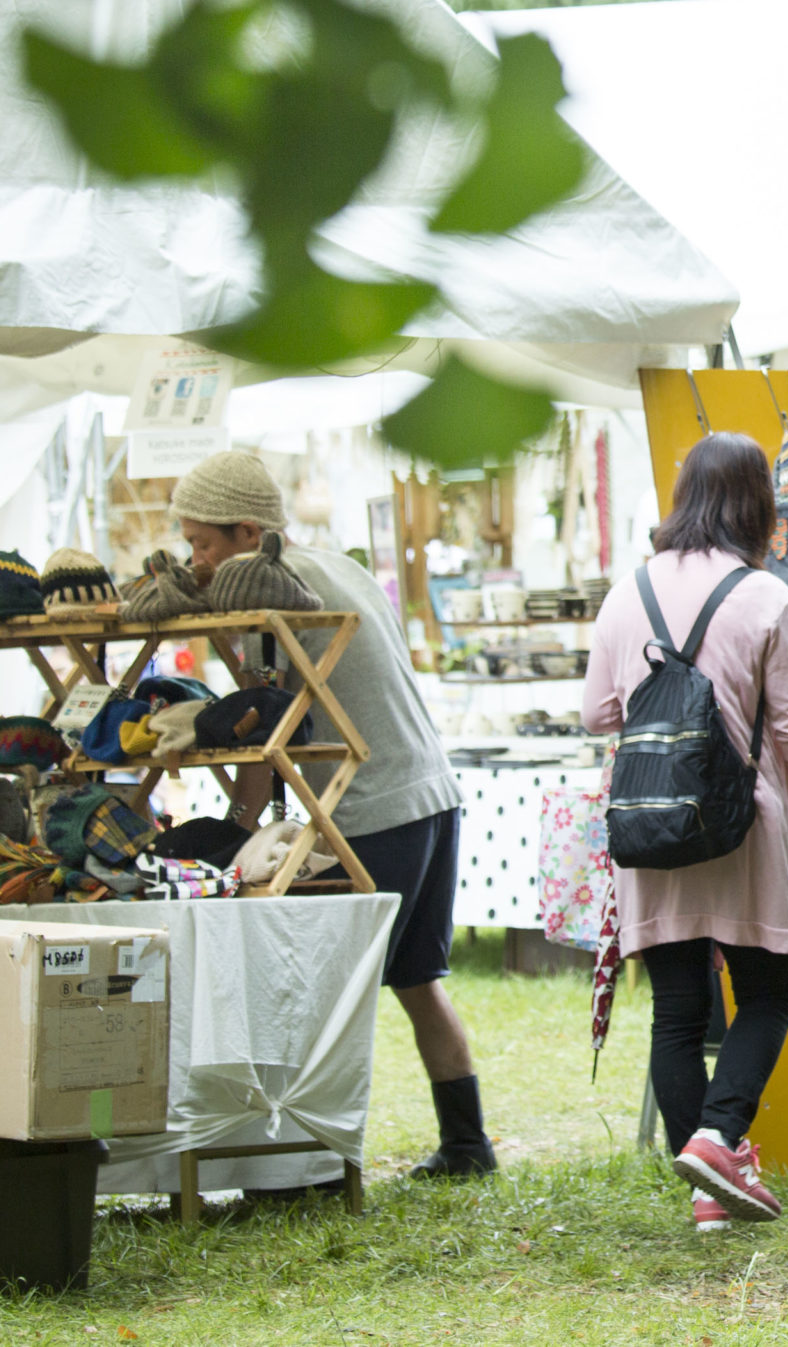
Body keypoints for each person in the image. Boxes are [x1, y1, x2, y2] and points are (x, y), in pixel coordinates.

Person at [167, 450, 495, 1179]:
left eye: (203, 544)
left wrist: (238, 835)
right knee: (417, 979)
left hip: (375, 803)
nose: (196, 560)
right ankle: (468, 1145)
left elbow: (265, 728)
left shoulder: (268, 592)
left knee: (321, 993)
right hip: (430, 792)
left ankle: (303, 1165)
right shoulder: (332, 564)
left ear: (247, 531)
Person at [580, 434, 788, 1231]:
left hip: (651, 822)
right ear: (759, 505)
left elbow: (598, 714)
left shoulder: (627, 595)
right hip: (742, 823)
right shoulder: (764, 596)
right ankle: (720, 1136)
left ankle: (705, 1191)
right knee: (768, 991)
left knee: (679, 1009)